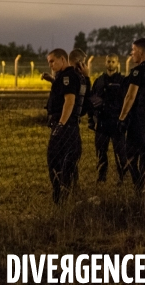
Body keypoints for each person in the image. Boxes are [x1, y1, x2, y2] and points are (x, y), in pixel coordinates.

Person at [45, 48, 90, 203]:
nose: (50, 64)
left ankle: (60, 196)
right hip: (66, 126)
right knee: (62, 162)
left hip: (65, 127)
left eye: (52, 61)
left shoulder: (68, 77)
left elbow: (69, 102)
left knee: (55, 160)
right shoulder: (64, 76)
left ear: (63, 59)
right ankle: (62, 196)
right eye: (48, 62)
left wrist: (60, 125)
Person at [88, 54, 127, 183]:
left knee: (120, 152)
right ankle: (101, 177)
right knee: (100, 151)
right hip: (102, 122)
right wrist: (91, 119)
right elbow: (91, 100)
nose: (110, 64)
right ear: (105, 63)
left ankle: (122, 177)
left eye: (113, 62)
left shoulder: (122, 81)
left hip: (117, 121)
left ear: (117, 63)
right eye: (108, 61)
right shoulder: (99, 81)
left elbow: (126, 101)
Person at [118, 38, 145, 191]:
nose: (131, 53)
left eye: (133, 50)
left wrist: (122, 117)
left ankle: (138, 187)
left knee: (130, 156)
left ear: (141, 52)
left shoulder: (138, 71)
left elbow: (130, 96)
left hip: (137, 119)